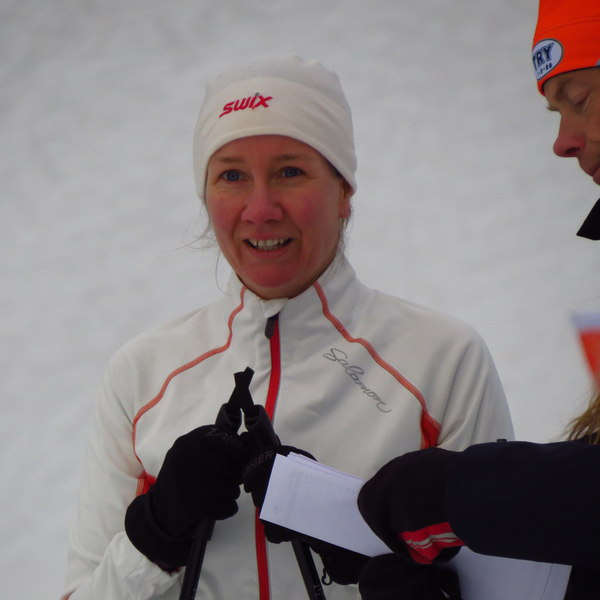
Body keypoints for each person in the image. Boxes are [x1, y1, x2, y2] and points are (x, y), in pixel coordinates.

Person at [61, 55, 514, 600]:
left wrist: (360, 540)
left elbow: (512, 583)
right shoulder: (142, 374)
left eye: (290, 172)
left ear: (344, 191)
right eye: (232, 175)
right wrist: (155, 536)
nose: (260, 209)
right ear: (205, 197)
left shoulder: (441, 360)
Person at [356, 1, 600, 598]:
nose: (562, 142)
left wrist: (460, 493)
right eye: (556, 111)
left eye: (581, 99)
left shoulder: (448, 349)